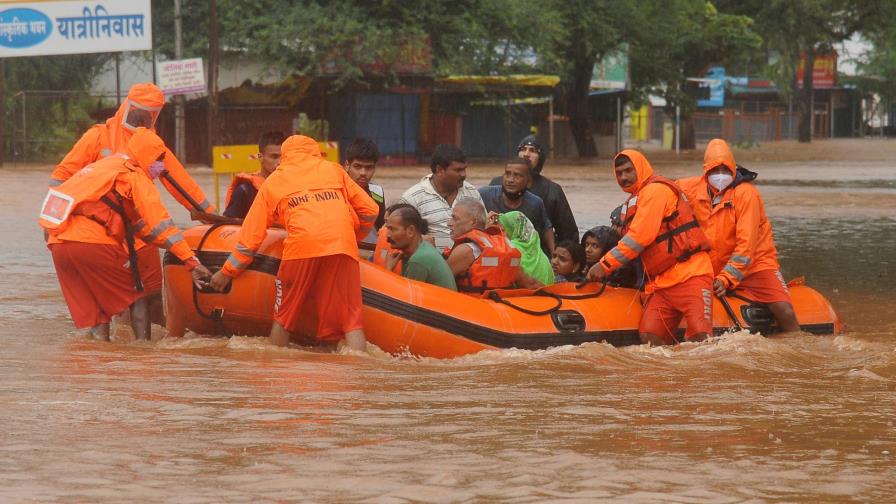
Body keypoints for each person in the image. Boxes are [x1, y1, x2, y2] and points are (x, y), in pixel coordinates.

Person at [50, 83, 215, 326]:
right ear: (127, 105)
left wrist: (209, 215)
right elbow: (60, 179)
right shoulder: (97, 136)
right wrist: (57, 222)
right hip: (103, 233)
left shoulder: (151, 144)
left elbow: (177, 181)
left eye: (149, 114)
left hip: (141, 231)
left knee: (152, 295)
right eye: (139, 111)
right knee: (114, 300)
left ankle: (148, 348)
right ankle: (126, 349)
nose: (142, 118)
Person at [208, 135, 378, 352]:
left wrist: (227, 271)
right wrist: (355, 237)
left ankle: (277, 370)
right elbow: (370, 211)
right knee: (352, 321)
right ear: (315, 151)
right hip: (342, 246)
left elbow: (251, 238)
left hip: (300, 248)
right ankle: (360, 370)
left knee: (284, 316)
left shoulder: (274, 182)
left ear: (286, 155)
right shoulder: (333, 170)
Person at [586, 150, 714, 346]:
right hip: (661, 283)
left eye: (629, 170)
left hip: (691, 275)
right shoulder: (633, 202)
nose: (624, 177)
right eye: (619, 173)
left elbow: (639, 238)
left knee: (700, 338)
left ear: (641, 167)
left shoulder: (655, 191)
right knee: (650, 338)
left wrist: (603, 265)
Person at [678, 138, 800, 332]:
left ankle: (796, 343)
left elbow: (746, 247)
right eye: (714, 171)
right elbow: (662, 191)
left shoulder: (746, 195)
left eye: (725, 170)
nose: (720, 175)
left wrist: (726, 278)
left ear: (733, 169)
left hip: (755, 265)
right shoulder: (691, 188)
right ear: (705, 170)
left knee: (785, 312)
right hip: (710, 264)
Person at [489, 135, 578, 243]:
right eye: (523, 149)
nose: (526, 154)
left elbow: (568, 233)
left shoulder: (552, 191)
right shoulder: (496, 184)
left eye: (533, 151)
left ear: (541, 157)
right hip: (500, 248)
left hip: (537, 252)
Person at [446, 198, 541, 292]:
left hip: (471, 304)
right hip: (502, 304)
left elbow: (440, 283)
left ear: (473, 222)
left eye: (455, 218)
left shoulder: (466, 250)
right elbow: (529, 284)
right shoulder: (505, 249)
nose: (449, 223)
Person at [399, 144, 483, 251]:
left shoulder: (471, 192)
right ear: (439, 170)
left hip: (468, 264)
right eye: (458, 170)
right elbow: (402, 236)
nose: (464, 175)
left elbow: (482, 229)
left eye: (464, 169)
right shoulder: (413, 198)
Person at [479, 157, 555, 254]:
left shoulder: (535, 203)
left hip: (522, 255)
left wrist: (553, 254)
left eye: (517, 175)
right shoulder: (484, 195)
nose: (510, 180)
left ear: (528, 180)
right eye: (507, 174)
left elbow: (546, 228)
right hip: (489, 251)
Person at [382, 203, 457, 290]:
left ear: (410, 231)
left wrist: (388, 269)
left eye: (392, 229)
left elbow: (405, 299)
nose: (388, 235)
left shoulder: (419, 259)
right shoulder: (420, 248)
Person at [223, 131, 286, 218]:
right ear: (260, 158)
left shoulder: (294, 188)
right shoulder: (244, 191)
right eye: (274, 157)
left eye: (283, 157)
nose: (279, 162)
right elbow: (229, 226)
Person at [497, 211, 554, 286]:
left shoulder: (510, 250)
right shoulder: (543, 258)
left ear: (511, 229)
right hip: (547, 296)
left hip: (520, 296)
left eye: (503, 230)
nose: (501, 233)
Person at [343, 138, 386, 231]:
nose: (363, 172)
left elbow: (381, 227)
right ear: (347, 165)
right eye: (357, 166)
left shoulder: (377, 192)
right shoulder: (337, 193)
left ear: (375, 167)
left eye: (369, 167)